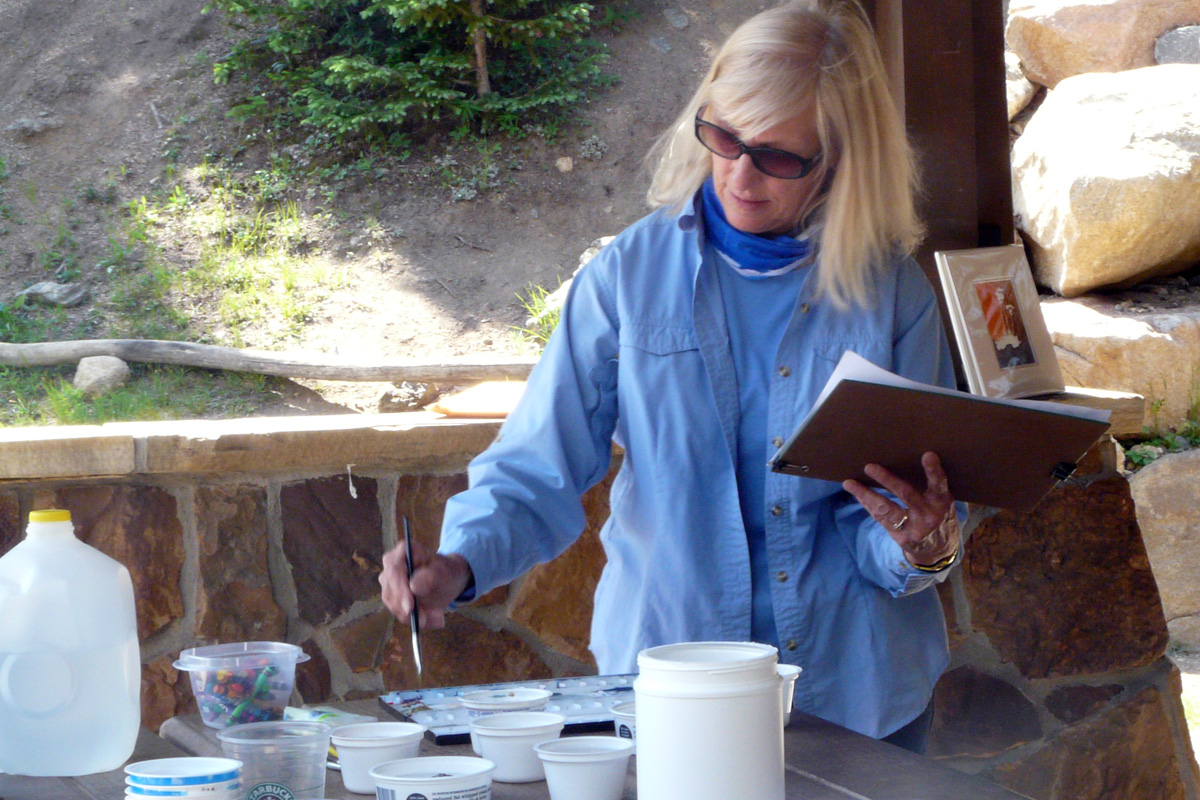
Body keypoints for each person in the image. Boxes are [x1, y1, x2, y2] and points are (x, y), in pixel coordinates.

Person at [380, 0, 966, 754]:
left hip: (855, 688)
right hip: (668, 683)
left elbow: (888, 511)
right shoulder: (626, 276)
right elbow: (539, 466)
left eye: (780, 156)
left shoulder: (893, 295)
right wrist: (459, 563)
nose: (739, 174)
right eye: (723, 137)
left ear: (843, 161)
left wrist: (920, 547)